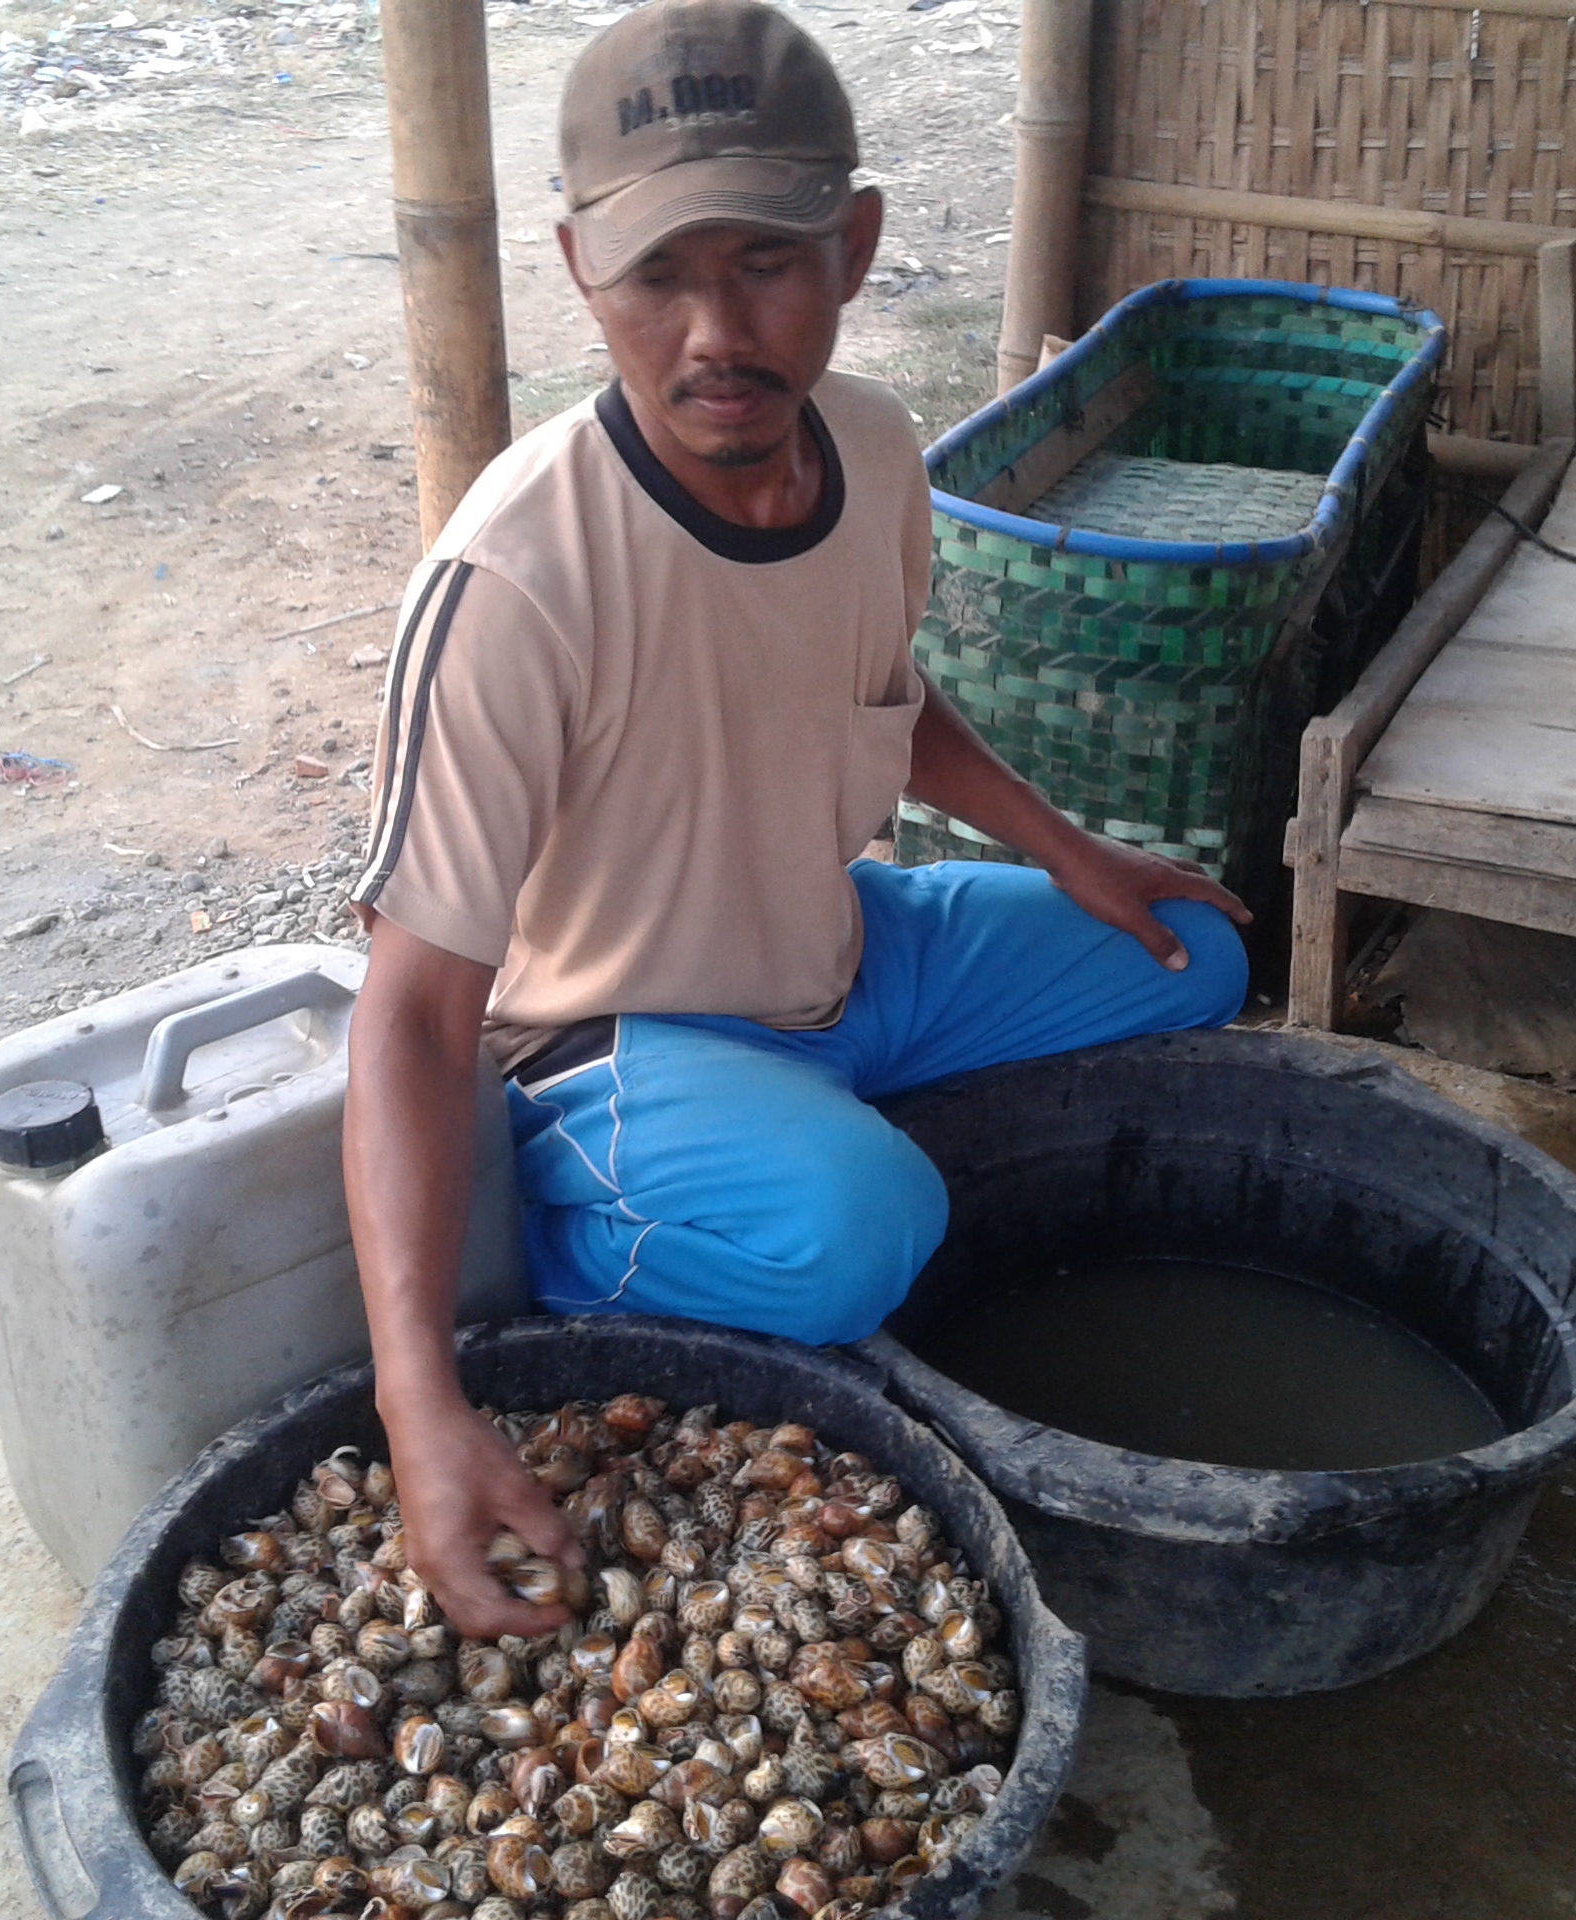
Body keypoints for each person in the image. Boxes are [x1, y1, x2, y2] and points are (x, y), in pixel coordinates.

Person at [342, 0, 1248, 1639]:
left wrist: (1069, 850)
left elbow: (884, 700)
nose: (714, 333)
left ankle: (817, 1119)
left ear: (855, 245)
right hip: (621, 1034)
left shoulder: (879, 449)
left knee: (1195, 957)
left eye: (764, 259)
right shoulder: (512, 583)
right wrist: (421, 1407)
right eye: (658, 276)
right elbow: (412, 1009)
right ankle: (588, 1221)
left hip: (846, 954)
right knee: (865, 1232)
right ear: (578, 273)